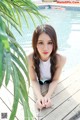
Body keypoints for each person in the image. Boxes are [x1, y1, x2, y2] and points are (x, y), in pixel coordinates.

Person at [28, 24, 66, 110]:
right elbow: (33, 80)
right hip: (39, 82)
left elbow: (55, 80)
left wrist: (48, 96)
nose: (45, 48)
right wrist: (39, 97)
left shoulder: (61, 59)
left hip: (52, 81)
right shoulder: (30, 58)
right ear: (35, 43)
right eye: (41, 43)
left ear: (54, 43)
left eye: (50, 43)